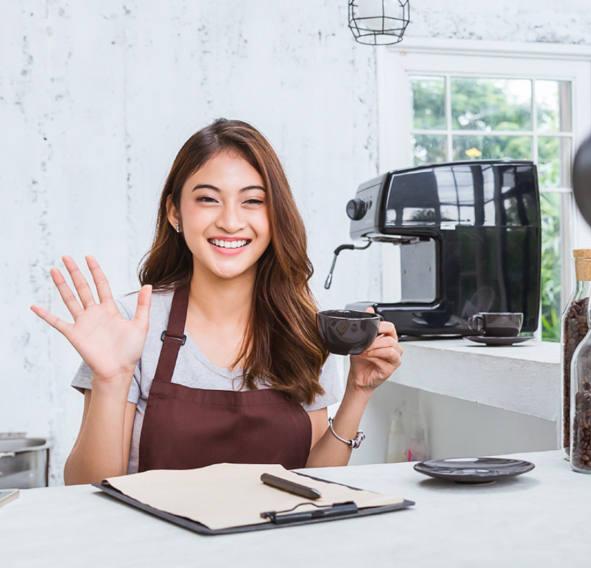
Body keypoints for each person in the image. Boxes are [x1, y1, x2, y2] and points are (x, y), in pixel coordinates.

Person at [30, 119, 403, 485]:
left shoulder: (302, 329)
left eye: (253, 201)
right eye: (207, 199)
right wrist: (111, 380)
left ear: (275, 215)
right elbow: (85, 488)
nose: (229, 221)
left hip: (278, 545)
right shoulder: (129, 326)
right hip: (155, 546)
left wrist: (358, 392)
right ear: (175, 211)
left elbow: (314, 483)